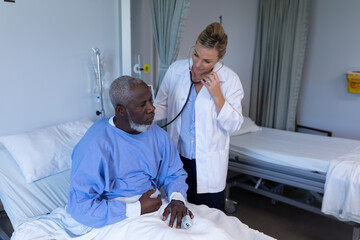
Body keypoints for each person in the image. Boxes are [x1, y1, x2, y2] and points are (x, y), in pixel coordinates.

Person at [68, 76, 193, 229]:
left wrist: (177, 199)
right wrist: (137, 208)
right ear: (121, 110)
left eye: (150, 101)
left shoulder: (158, 135)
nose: (152, 108)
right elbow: (81, 205)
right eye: (142, 104)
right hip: (117, 216)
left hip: (156, 208)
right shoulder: (96, 144)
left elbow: (174, 173)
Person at [154, 22, 244, 210]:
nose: (197, 64)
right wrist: (137, 116)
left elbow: (234, 124)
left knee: (211, 220)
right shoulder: (176, 70)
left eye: (207, 61)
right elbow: (161, 106)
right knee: (176, 212)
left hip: (208, 165)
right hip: (178, 160)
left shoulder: (230, 80)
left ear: (221, 58)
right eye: (196, 55)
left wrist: (218, 95)